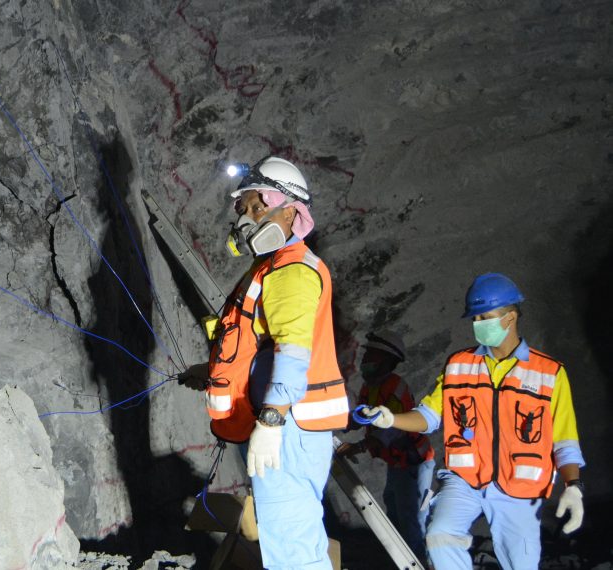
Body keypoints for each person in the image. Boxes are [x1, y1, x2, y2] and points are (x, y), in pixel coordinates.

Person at [359, 273, 585, 569]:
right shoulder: (459, 365)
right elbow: (429, 415)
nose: (478, 325)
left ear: (510, 317)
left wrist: (573, 485)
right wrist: (392, 419)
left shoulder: (549, 373)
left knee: (523, 563)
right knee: (440, 536)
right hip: (465, 481)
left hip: (518, 490)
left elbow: (564, 440)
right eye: (475, 319)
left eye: (485, 318)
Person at [198, 156, 350, 569]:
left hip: (288, 427)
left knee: (291, 550)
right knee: (294, 541)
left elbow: (293, 353)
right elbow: (259, 346)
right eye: (244, 211)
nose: (246, 220)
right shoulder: (274, 268)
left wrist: (271, 420)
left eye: (254, 208)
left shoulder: (289, 270)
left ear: (287, 209)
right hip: (292, 425)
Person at [339, 330, 435, 561]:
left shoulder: (396, 387)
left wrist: (357, 447)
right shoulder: (368, 387)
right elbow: (359, 417)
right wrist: (337, 424)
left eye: (372, 356)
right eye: (367, 355)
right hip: (397, 463)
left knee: (410, 518)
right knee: (394, 509)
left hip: (413, 463)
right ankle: (402, 561)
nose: (365, 361)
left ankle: (421, 563)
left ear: (388, 362)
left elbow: (391, 431)